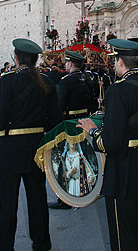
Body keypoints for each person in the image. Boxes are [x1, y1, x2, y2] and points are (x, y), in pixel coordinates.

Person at [77, 39, 138, 251]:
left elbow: (111, 142)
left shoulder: (117, 91)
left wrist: (92, 130)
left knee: (122, 231)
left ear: (120, 61)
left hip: (123, 170)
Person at [0, 38, 63, 251]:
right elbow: (55, 120)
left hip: (8, 151)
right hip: (36, 151)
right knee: (37, 201)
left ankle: (5, 248)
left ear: (16, 59)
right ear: (35, 61)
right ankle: (42, 245)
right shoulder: (46, 82)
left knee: (7, 207)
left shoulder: (6, 82)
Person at [48, 50, 97, 210]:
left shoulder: (66, 81)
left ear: (70, 63)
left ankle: (66, 197)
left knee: (67, 160)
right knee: (84, 157)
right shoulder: (87, 79)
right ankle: (88, 187)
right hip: (84, 121)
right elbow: (93, 101)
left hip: (69, 124)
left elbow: (60, 105)